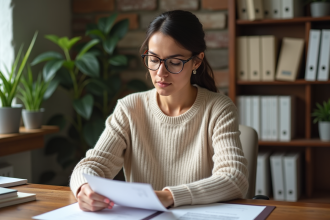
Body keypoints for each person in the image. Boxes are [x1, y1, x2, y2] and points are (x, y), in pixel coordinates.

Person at [70, 10, 249, 212]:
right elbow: (92, 165)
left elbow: (234, 178)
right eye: (154, 60)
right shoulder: (129, 108)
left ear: (197, 61)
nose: (160, 73)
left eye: (174, 62)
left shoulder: (218, 109)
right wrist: (83, 188)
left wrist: (168, 197)